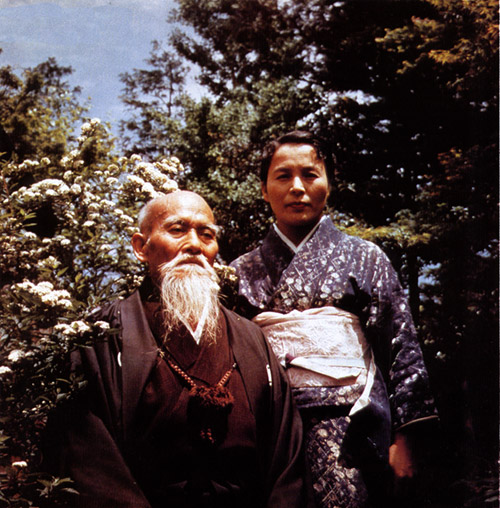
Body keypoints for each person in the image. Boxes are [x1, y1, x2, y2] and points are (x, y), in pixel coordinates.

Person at [43, 190, 307, 508]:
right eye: (177, 230)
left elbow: (285, 455)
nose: (194, 245)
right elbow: (86, 453)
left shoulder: (251, 337)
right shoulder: (103, 332)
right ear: (141, 247)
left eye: (206, 234)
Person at [230, 131, 438, 508]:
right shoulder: (239, 272)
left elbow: (401, 349)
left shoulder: (366, 258)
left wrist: (405, 438)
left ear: (329, 183)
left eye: (310, 174)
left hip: (353, 428)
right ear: (263, 189)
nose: (297, 187)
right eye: (283, 176)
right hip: (270, 429)